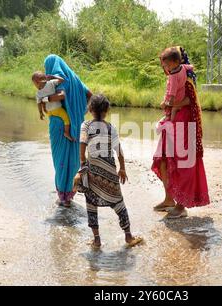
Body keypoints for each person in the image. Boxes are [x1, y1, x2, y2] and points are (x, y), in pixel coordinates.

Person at [75, 95, 143, 249]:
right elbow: (118, 149)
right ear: (106, 111)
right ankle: (128, 236)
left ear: (90, 110)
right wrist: (123, 168)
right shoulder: (110, 127)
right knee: (118, 202)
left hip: (92, 168)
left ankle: (97, 239)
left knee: (91, 204)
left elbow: (82, 144)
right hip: (110, 170)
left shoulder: (85, 125)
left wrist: (82, 164)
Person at [152, 47, 211, 219]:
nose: (165, 68)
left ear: (177, 62)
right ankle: (169, 199)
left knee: (182, 163)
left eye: (167, 64)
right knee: (163, 158)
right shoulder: (174, 75)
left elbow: (189, 100)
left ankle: (181, 205)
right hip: (171, 121)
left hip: (184, 122)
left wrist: (172, 106)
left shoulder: (186, 76)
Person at [43, 54, 92, 207]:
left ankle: (63, 197)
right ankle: (69, 195)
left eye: (47, 67)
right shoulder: (75, 78)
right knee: (72, 160)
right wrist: (80, 113)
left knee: (60, 160)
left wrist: (44, 98)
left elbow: (62, 95)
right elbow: (90, 95)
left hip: (59, 125)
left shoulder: (59, 78)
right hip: (76, 125)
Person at [32, 71, 74, 142]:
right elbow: (62, 80)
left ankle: (55, 133)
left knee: (53, 122)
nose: (35, 85)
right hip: (57, 109)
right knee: (66, 119)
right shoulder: (51, 83)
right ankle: (66, 132)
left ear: (37, 82)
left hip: (49, 112)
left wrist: (41, 113)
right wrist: (54, 77)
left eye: (34, 84)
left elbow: (39, 104)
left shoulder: (38, 93)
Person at [159, 47, 194, 123]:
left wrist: (169, 101)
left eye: (168, 66)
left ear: (176, 62)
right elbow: (190, 67)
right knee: (173, 108)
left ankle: (170, 120)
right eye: (166, 66)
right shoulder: (183, 67)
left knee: (167, 107)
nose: (168, 68)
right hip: (181, 94)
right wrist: (192, 67)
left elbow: (172, 89)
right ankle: (169, 117)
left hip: (174, 97)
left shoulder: (173, 76)